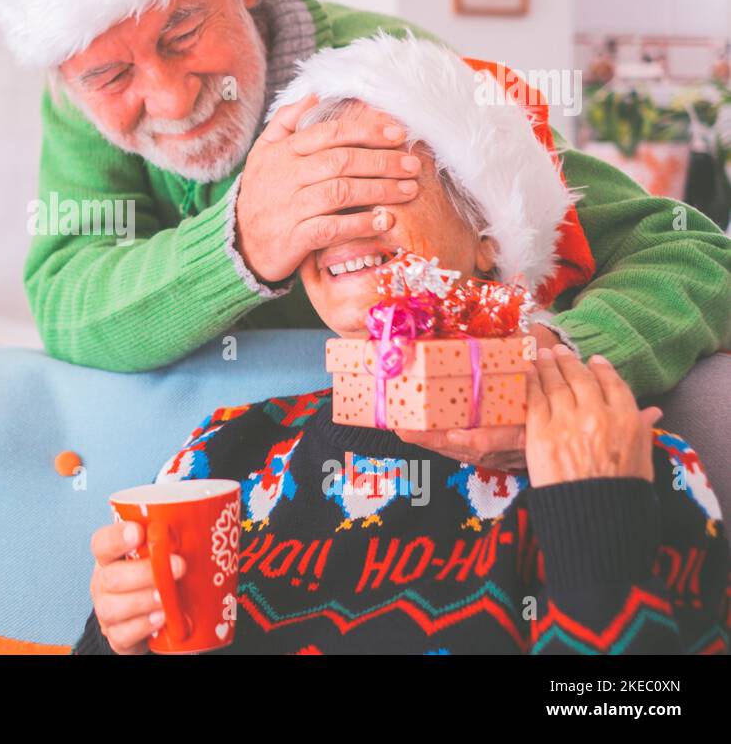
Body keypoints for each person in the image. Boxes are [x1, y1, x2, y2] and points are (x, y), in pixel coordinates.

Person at [0, 0, 731, 474]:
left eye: (183, 30)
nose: (168, 97)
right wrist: (237, 244)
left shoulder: (397, 81)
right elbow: (67, 298)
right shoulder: (85, 108)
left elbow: (691, 252)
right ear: (70, 79)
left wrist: (554, 361)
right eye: (109, 77)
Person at [73, 35, 729, 654]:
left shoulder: (612, 453)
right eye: (313, 193)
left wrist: (595, 521)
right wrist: (118, 637)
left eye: (380, 180)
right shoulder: (221, 456)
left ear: (488, 233)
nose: (338, 220)